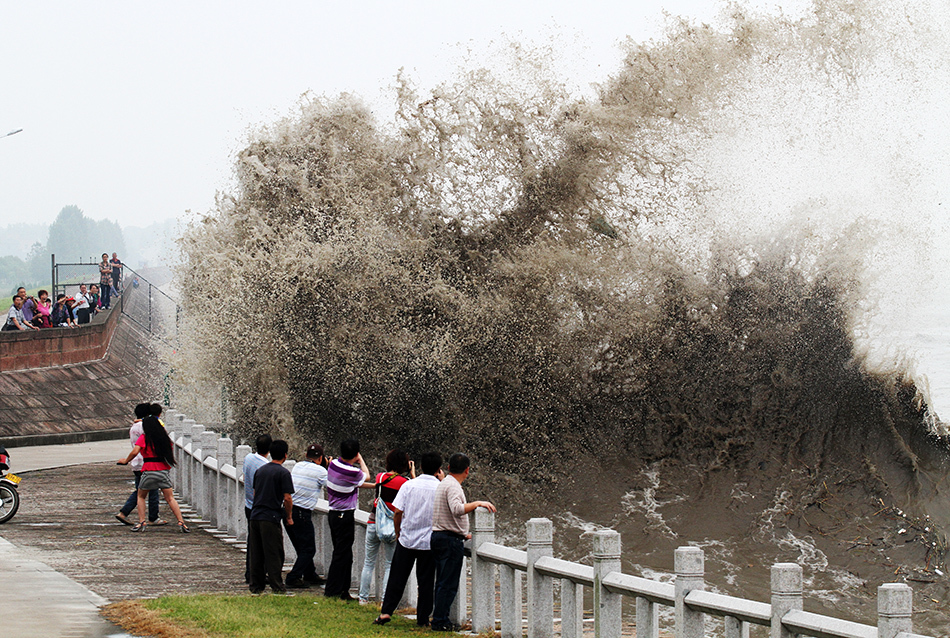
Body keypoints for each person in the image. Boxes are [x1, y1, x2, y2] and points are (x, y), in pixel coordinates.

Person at [373, 452, 444, 627]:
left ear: (420, 467)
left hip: (407, 539)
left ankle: (386, 612)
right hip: (428, 542)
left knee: (397, 577)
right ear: (438, 470)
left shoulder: (409, 485)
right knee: (426, 582)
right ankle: (422, 618)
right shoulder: (440, 488)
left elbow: (398, 512)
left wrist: (398, 532)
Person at [430, 453, 496, 631]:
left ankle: (440, 618)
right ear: (467, 470)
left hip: (442, 536)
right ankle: (440, 622)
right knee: (448, 584)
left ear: (449, 467)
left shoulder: (445, 483)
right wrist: (477, 503)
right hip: (448, 540)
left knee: (443, 582)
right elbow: (457, 509)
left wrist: (463, 533)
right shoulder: (453, 486)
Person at [116, 416, 190, 533]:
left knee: (141, 496)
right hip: (163, 471)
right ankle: (181, 521)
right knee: (170, 498)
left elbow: (135, 451)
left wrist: (125, 461)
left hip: (148, 471)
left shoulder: (145, 438)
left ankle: (142, 522)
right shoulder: (164, 439)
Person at [359, 449, 414, 604]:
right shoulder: (405, 483)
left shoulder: (380, 477)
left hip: (374, 522)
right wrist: (412, 472)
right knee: (390, 564)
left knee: (369, 562)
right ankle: (385, 600)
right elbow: (414, 489)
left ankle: (363, 598)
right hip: (391, 527)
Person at [324, 438, 374, 600]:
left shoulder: (333, 465)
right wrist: (361, 460)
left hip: (333, 514)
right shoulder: (353, 471)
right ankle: (332, 590)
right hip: (344, 515)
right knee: (341, 554)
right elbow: (365, 476)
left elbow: (354, 483)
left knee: (344, 553)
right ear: (355, 454)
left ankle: (343, 590)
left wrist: (375, 486)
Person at [248, 439, 294, 594]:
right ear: (285, 455)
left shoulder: (260, 470)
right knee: (274, 552)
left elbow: (255, 493)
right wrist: (288, 516)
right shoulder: (283, 473)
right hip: (270, 517)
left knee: (257, 553)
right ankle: (277, 586)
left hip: (255, 515)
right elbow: (287, 498)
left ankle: (256, 586)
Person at [285, 444, 329, 589]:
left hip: (287, 510)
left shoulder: (297, 466)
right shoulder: (321, 471)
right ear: (321, 458)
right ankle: (293, 577)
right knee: (309, 549)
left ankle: (310, 574)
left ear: (306, 455)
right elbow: (332, 486)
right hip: (301, 512)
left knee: (301, 547)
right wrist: (327, 468)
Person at [115, 403, 164, 526]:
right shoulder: (146, 426)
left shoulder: (134, 427)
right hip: (147, 462)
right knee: (153, 490)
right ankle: (153, 517)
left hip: (136, 463)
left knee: (139, 490)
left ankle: (124, 512)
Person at [243, 434, 272, 583]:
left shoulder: (248, 458)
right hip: (260, 507)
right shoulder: (264, 466)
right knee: (263, 543)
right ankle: (259, 574)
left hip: (249, 505)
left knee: (252, 542)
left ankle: (251, 572)